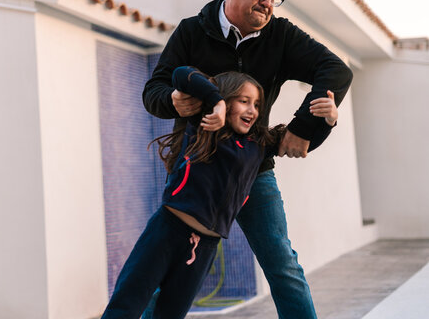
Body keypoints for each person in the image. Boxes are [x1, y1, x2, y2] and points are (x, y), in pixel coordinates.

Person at [141, 0, 353, 318]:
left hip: (254, 171)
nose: (267, 1)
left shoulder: (281, 36)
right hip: (196, 171)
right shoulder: (191, 32)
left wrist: (303, 129)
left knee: (283, 267)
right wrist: (173, 100)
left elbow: (335, 71)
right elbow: (154, 92)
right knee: (168, 267)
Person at [102, 67, 338, 319]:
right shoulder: (203, 124)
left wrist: (329, 121)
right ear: (226, 101)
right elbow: (181, 74)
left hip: (204, 247)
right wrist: (215, 102)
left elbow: (299, 145)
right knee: (128, 302)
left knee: (169, 312)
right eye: (244, 101)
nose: (252, 110)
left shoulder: (258, 145)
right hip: (166, 232)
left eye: (257, 104)